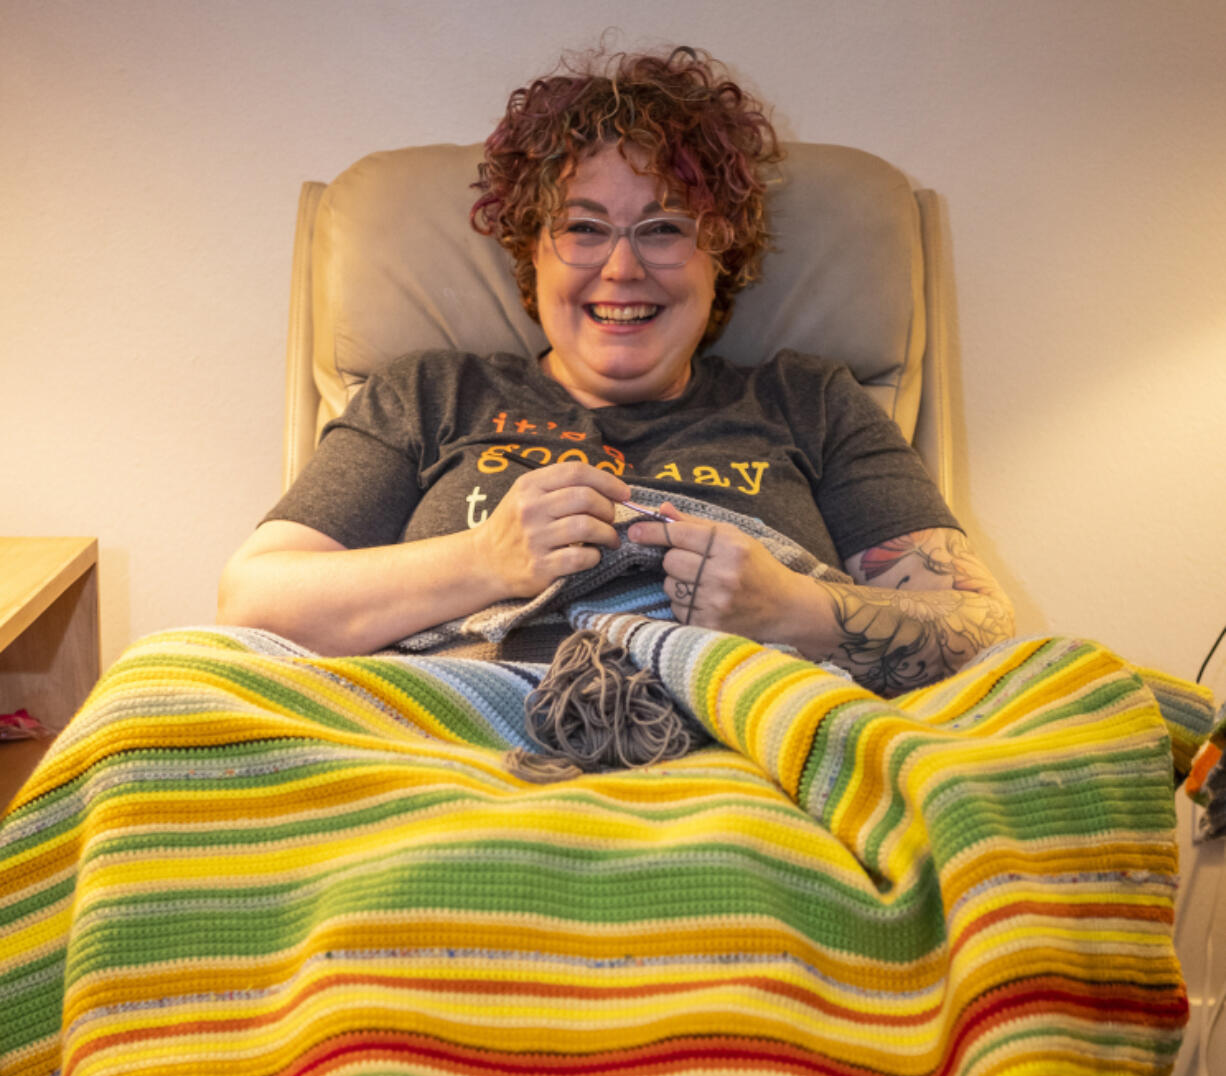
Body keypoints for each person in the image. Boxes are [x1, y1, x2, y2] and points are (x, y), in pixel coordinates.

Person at [218, 46, 1014, 696]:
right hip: (455, 746)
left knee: (1093, 691)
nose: (623, 268)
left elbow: (980, 626)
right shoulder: (427, 393)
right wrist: (484, 559)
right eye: (584, 228)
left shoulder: (812, 402)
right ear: (531, 251)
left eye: (664, 228)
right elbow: (254, 599)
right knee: (163, 686)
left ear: (719, 255)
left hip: (739, 759)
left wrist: (790, 608)